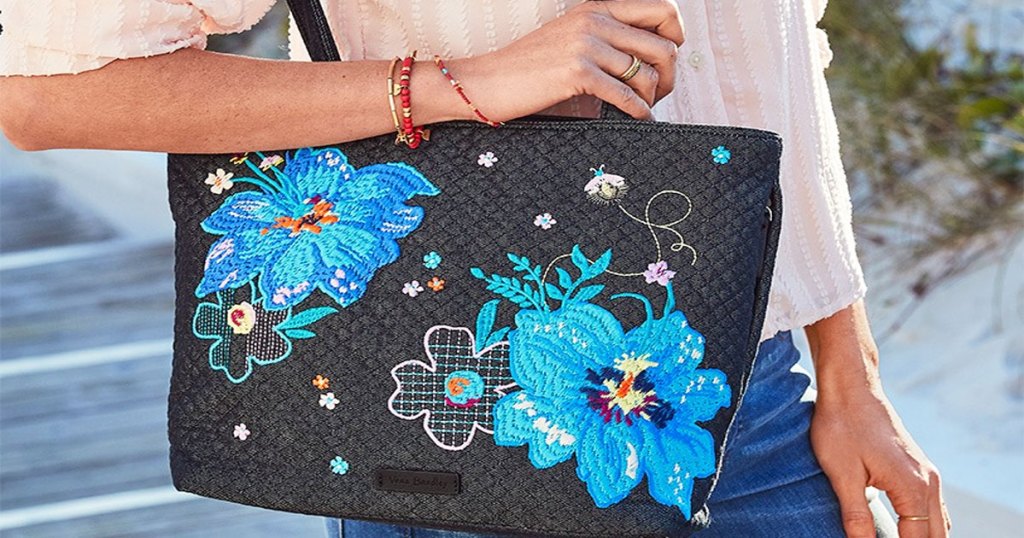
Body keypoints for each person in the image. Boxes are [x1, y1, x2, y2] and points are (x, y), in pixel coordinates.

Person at [0, 1, 951, 536]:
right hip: (473, 441)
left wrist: (849, 374)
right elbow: (47, 94)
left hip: (766, 418)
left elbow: (779, 59)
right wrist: (467, 87)